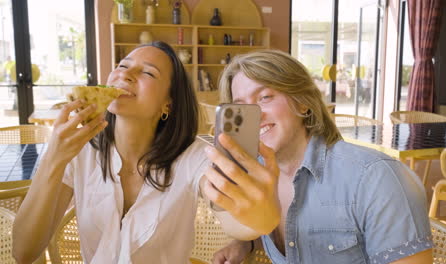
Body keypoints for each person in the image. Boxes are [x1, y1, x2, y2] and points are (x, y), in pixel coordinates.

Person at [12, 41, 279, 264]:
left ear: (168, 103)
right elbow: (23, 252)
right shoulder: (81, 151)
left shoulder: (194, 157)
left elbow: (239, 224)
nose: (124, 75)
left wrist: (262, 214)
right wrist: (53, 160)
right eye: (122, 66)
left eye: (148, 73)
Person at [203, 50, 433, 264]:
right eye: (240, 107)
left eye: (265, 97)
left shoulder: (377, 179)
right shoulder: (253, 175)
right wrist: (246, 242)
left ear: (303, 103)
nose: (254, 116)